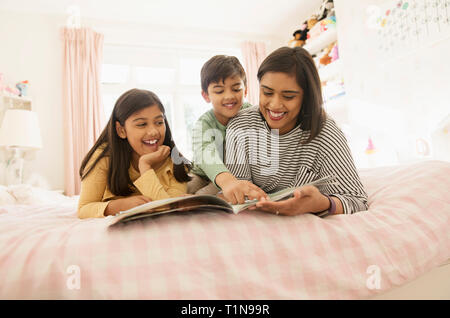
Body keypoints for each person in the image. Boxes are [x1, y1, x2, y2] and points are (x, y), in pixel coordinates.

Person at [225, 46, 368, 216]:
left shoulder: (326, 132)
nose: (275, 105)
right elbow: (239, 195)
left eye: (288, 96)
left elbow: (357, 200)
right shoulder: (240, 126)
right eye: (267, 92)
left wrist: (321, 203)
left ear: (306, 97)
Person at [77, 89, 191, 219]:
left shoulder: (176, 162)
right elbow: (83, 209)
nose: (153, 131)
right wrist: (116, 206)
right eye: (142, 124)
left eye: (159, 122)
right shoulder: (104, 158)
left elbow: (169, 209)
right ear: (121, 130)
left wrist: (145, 165)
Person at [188, 55, 266, 204]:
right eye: (219, 91)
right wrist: (226, 180)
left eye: (236, 89)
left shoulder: (254, 114)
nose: (229, 96)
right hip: (203, 174)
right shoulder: (204, 123)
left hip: (235, 174)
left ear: (246, 90)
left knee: (203, 198)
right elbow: (204, 152)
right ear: (206, 96)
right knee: (186, 190)